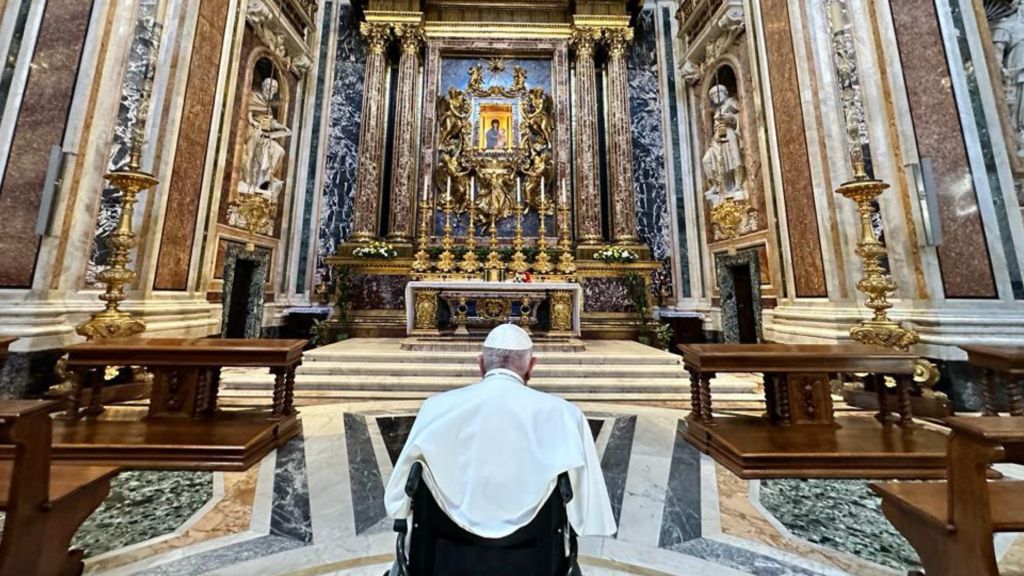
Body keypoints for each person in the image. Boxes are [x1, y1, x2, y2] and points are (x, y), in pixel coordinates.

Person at [384, 323, 616, 542]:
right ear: (531, 366)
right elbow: (587, 504)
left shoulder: (435, 408)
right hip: (537, 555)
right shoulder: (565, 415)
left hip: (442, 554)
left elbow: (400, 492)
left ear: (481, 364)